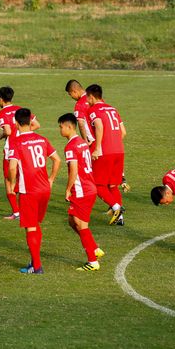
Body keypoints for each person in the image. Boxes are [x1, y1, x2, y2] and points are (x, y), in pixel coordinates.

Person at [8, 108, 61, 274]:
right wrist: (51, 179)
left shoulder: (16, 142)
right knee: (35, 225)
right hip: (44, 188)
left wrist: (12, 181)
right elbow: (57, 159)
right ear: (30, 122)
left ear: (16, 123)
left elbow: (12, 166)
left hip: (29, 190)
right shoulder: (42, 139)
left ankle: (36, 266)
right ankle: (34, 260)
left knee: (30, 227)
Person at [65, 79, 130, 193]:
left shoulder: (79, 104)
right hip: (111, 143)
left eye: (70, 94)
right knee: (111, 180)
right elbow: (121, 131)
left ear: (74, 91)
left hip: (95, 143)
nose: (71, 97)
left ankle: (83, 195)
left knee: (94, 178)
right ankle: (121, 179)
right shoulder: (102, 102)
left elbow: (81, 123)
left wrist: (85, 140)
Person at [58, 113, 105, 271]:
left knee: (80, 225)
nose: (60, 129)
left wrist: (67, 189)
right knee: (72, 221)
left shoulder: (70, 147)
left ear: (69, 127)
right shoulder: (82, 143)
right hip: (89, 187)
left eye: (61, 126)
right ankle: (95, 249)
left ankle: (92, 261)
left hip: (81, 190)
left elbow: (73, 169)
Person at [0, 86, 40, 220]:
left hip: (11, 151)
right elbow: (37, 125)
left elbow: (8, 131)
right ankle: (27, 209)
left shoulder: (2, 113)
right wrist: (23, 134)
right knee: (22, 180)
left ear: (1, 99)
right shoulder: (21, 110)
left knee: (9, 181)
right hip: (24, 149)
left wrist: (1, 135)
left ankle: (16, 212)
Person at [86, 84, 127, 226]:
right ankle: (120, 218)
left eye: (87, 97)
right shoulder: (113, 109)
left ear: (91, 96)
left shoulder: (93, 110)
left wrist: (97, 148)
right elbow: (123, 132)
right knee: (113, 185)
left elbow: (99, 125)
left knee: (98, 185)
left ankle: (116, 208)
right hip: (119, 150)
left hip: (105, 152)